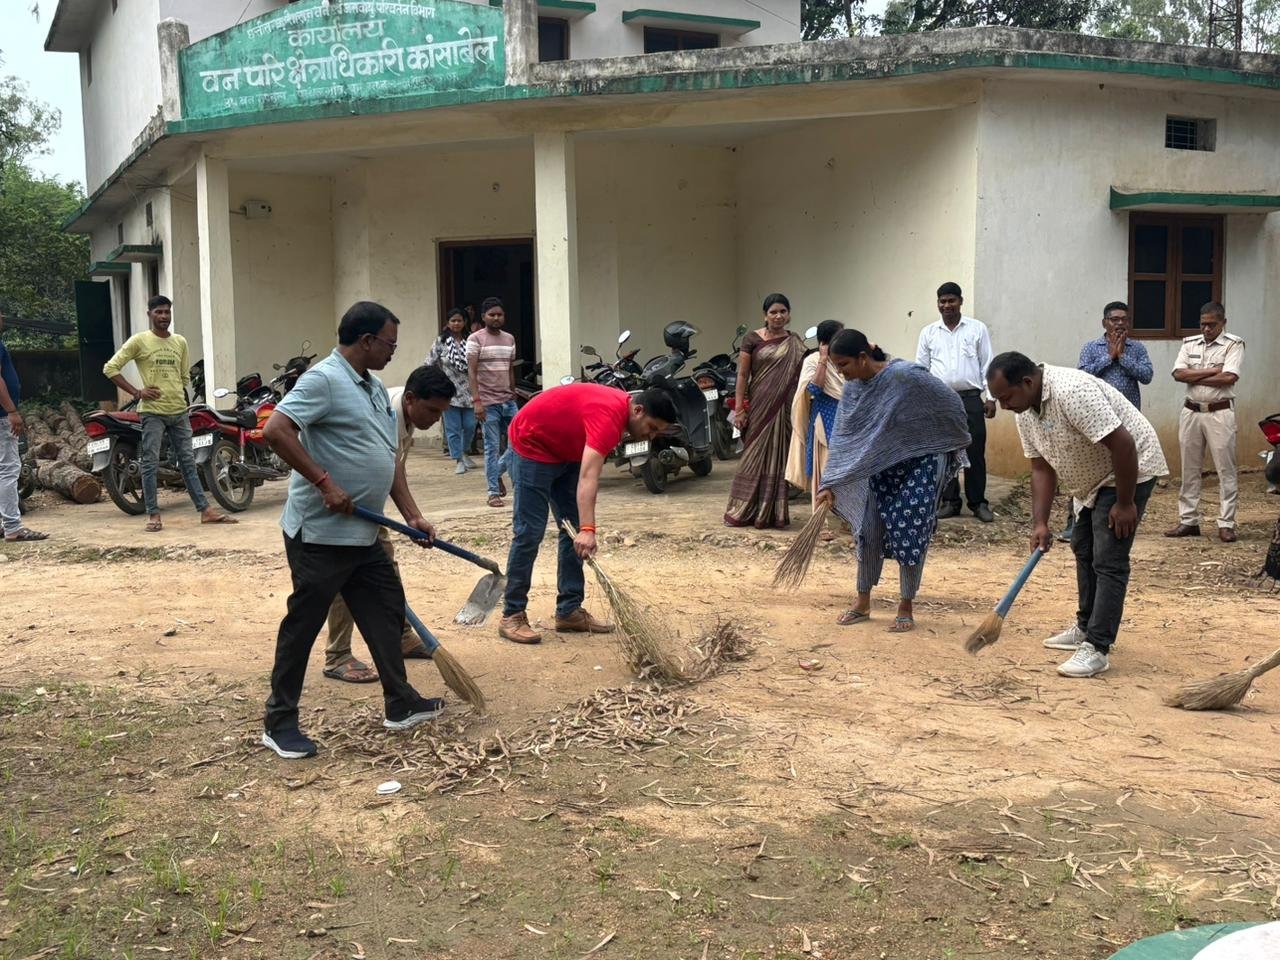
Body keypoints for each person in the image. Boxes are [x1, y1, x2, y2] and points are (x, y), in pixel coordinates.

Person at [260, 301, 450, 759]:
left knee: (386, 612)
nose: (393, 351)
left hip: (363, 534)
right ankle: (279, 723)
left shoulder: (374, 387)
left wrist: (412, 515)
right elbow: (277, 430)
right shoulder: (323, 380)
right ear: (366, 341)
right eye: (389, 343)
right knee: (304, 625)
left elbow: (388, 459)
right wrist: (324, 483)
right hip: (321, 535)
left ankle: (400, 703)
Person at [986, 352, 1167, 679]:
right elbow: (1041, 468)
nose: (1003, 406)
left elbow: (1124, 445)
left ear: (1027, 382)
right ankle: (1085, 627)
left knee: (1109, 558)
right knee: (1083, 547)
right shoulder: (1024, 411)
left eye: (1006, 397)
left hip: (1128, 470)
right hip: (1090, 480)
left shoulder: (1072, 391)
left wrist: (1125, 503)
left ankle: (1097, 647)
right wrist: (1040, 523)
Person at [814, 330, 970, 633]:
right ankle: (862, 602)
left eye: (844, 365)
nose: (841, 373)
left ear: (862, 357)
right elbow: (843, 436)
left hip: (921, 462)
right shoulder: (853, 390)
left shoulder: (905, 376)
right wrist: (829, 481)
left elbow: (950, 403)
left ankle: (905, 606)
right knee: (868, 528)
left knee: (911, 529)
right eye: (836, 367)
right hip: (881, 463)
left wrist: (945, 439)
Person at [497, 382, 675, 644]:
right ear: (638, 410)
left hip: (566, 451)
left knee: (572, 529)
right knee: (529, 532)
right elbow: (589, 476)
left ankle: (569, 611)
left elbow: (586, 471)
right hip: (532, 444)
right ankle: (512, 614)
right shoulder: (608, 420)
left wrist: (584, 529)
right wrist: (589, 530)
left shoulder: (622, 414)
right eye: (652, 428)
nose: (651, 436)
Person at [322, 364, 456, 684]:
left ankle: (402, 635)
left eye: (442, 412)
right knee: (345, 574)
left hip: (365, 502)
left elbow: (395, 467)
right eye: (433, 410)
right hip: (340, 501)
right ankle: (337, 655)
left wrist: (413, 517)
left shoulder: (405, 415)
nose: (437, 419)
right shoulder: (386, 414)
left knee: (386, 568)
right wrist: (410, 516)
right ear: (410, 399)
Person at [102, 295, 235, 532]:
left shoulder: (179, 342)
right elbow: (110, 368)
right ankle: (153, 515)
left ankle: (205, 511)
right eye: (159, 312)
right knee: (150, 463)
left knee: (188, 462)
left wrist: (177, 396)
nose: (164, 316)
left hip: (179, 412)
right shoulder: (140, 341)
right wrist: (137, 392)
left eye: (167, 312)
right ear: (149, 315)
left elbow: (183, 377)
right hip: (152, 412)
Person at [1062, 301, 1154, 542]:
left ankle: (1123, 516)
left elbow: (1147, 376)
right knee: (1088, 470)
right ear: (1104, 323)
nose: (1120, 323)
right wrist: (1108, 357)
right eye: (1114, 319)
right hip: (1094, 422)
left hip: (1127, 422)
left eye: (1124, 319)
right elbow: (1081, 376)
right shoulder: (1091, 348)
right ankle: (1075, 522)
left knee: (1125, 468)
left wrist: (1122, 357)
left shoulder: (1137, 348)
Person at [724, 293, 806, 529]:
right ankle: (742, 509)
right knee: (752, 454)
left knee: (778, 456)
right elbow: (742, 374)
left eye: (783, 311)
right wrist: (739, 409)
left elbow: (801, 374)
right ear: (765, 315)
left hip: (784, 407)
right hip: (760, 406)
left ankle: (770, 513)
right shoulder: (752, 339)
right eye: (773, 312)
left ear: (789, 314)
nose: (778, 316)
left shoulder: (794, 341)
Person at [916, 282, 996, 523]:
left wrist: (990, 397)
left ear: (961, 301)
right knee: (944, 451)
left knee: (975, 451)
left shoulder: (977, 329)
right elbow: (921, 369)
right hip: (940, 401)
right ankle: (950, 501)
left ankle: (978, 503)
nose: (947, 305)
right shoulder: (928, 332)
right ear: (937, 304)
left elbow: (987, 364)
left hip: (971, 399)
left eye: (951, 300)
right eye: (943, 301)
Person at [1166, 302, 1245, 544]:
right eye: (1203, 324)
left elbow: (1229, 377)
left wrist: (1194, 375)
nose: (1207, 329)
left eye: (1212, 324)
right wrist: (1212, 371)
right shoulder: (1190, 343)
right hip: (1191, 411)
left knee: (1225, 469)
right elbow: (1178, 374)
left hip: (1219, 412)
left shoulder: (1233, 344)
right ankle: (1188, 520)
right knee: (1189, 468)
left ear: (1223, 323)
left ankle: (1226, 523)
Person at [785, 319, 845, 541]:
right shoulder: (812, 361)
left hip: (846, 422)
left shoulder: (845, 360)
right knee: (823, 474)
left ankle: (848, 520)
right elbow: (813, 390)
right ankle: (820, 523)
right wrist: (823, 360)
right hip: (824, 422)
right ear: (825, 341)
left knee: (847, 474)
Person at [0, 307, 47, 542]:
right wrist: (11, 411)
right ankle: (13, 527)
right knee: (8, 470)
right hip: (1, 416)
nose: (2, 318)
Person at [467, 297, 518, 508]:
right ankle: (493, 492)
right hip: (487, 402)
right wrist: (476, 401)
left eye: (499, 315)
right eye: (492, 315)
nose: (496, 318)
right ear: (483, 317)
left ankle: (496, 473)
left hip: (508, 400)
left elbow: (510, 368)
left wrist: (513, 391)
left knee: (519, 442)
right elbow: (471, 371)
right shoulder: (475, 339)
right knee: (492, 447)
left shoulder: (509, 339)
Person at [427, 308, 479, 475]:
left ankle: (465, 452)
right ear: (448, 323)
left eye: (459, 320)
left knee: (470, 426)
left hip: (470, 391)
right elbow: (428, 363)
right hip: (449, 392)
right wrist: (434, 384)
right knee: (453, 428)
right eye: (453, 320)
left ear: (465, 322)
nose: (456, 323)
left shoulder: (471, 341)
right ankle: (458, 459)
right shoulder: (440, 342)